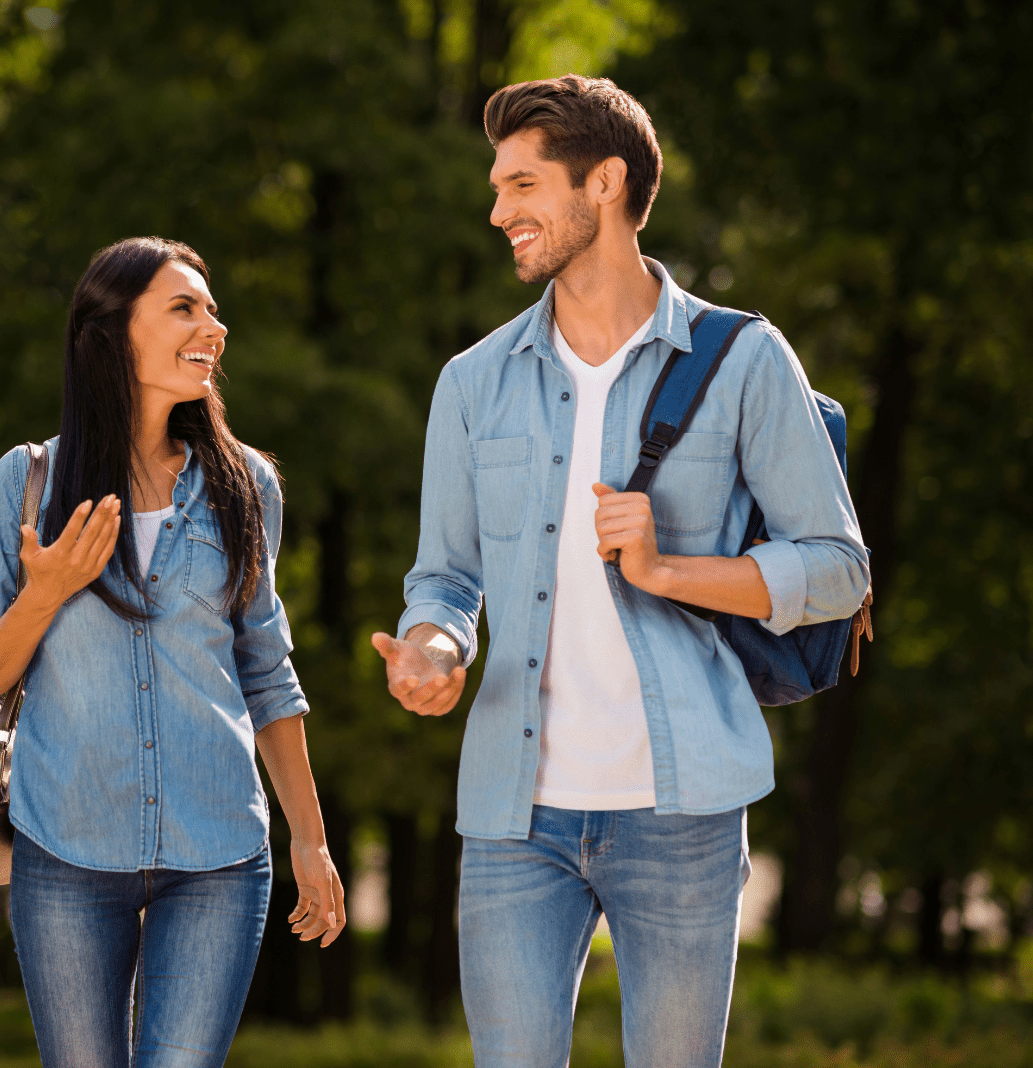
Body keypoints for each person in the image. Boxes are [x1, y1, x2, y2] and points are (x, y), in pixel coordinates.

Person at [370, 76, 868, 1067]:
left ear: (601, 183)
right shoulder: (472, 382)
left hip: (682, 814)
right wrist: (431, 647)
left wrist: (671, 569)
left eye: (521, 185)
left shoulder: (743, 360)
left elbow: (839, 570)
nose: (497, 210)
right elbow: (444, 580)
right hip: (514, 817)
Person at [0, 237, 345, 1068]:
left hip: (219, 856)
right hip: (66, 852)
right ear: (111, 332)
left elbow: (267, 674)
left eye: (211, 308)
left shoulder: (246, 486)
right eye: (184, 307)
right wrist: (47, 592)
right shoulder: (27, 483)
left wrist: (309, 840)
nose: (216, 325)